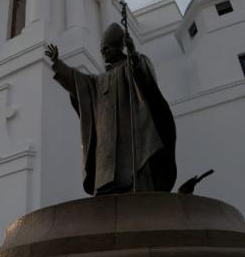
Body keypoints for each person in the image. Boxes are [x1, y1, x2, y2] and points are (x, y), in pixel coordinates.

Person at [45, 22, 176, 195]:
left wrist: (133, 55)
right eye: (102, 49)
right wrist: (58, 64)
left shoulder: (131, 65)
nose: (103, 52)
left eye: (107, 48)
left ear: (118, 47)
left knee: (139, 191)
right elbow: (79, 83)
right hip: (106, 152)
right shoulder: (99, 80)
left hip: (133, 143)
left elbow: (145, 81)